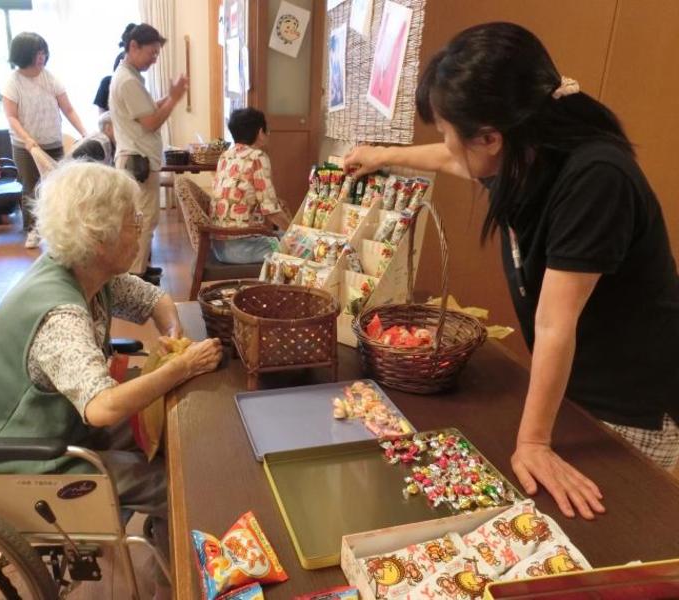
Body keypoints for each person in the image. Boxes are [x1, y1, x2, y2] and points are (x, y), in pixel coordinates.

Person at [345, 22, 679, 521]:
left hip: (630, 410)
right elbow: (453, 159)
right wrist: (381, 155)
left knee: (613, 533)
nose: (448, 146)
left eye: (450, 133)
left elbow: (554, 322)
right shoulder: (524, 153)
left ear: (491, 137)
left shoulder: (595, 178)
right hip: (575, 391)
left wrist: (534, 441)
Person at [0, 162, 222, 598]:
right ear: (98, 236)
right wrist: (182, 366)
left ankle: (168, 562)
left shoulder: (87, 275)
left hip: (60, 428)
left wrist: (172, 332)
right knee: (178, 484)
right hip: (24, 462)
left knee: (178, 445)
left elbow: (154, 299)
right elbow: (102, 408)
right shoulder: (59, 313)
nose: (139, 229)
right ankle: (176, 584)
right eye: (132, 222)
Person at [109, 22, 187, 283]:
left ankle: (138, 267)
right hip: (137, 161)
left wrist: (170, 96)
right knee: (143, 219)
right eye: (151, 53)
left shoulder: (128, 76)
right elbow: (152, 122)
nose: (154, 59)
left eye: (157, 54)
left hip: (136, 158)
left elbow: (149, 110)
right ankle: (136, 274)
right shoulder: (128, 81)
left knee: (142, 218)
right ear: (134, 46)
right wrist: (175, 99)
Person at [2, 32, 88, 249]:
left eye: (43, 51)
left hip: (52, 142)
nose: (41, 56)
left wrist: (85, 133)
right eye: (36, 52)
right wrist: (28, 139)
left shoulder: (50, 78)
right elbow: (11, 116)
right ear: (24, 54)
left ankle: (58, 230)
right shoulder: (13, 82)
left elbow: (67, 108)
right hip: (26, 147)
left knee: (57, 187)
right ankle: (33, 230)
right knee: (31, 188)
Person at [210, 108, 289, 264]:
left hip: (217, 246)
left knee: (283, 234)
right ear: (261, 132)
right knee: (301, 246)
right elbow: (270, 211)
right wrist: (294, 231)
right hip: (240, 249)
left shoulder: (225, 156)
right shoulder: (257, 157)